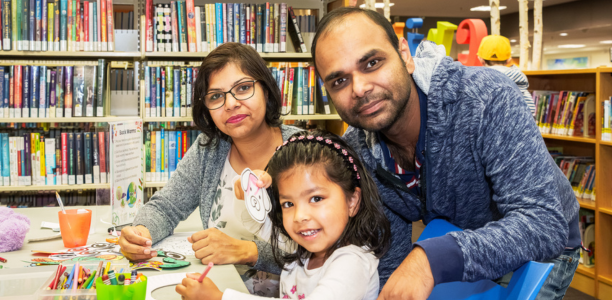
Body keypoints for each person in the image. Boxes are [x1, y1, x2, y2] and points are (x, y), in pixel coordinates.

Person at [311, 7, 580, 300]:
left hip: (541, 250)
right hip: (459, 247)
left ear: (405, 55)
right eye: (339, 81)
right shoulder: (359, 150)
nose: (360, 88)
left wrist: (432, 259)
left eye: (372, 63)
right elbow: (390, 253)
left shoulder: (485, 99)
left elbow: (542, 224)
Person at [118, 42, 302, 296]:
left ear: (267, 90)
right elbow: (167, 206)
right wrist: (140, 234)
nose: (230, 104)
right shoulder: (210, 149)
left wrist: (248, 251)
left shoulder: (305, 152)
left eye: (243, 88)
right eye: (216, 96)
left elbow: (323, 248)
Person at [175, 130, 391, 300]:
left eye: (316, 198)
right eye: (288, 203)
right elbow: (256, 222)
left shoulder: (352, 262)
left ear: (352, 201)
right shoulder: (303, 248)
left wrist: (221, 298)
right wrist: (250, 191)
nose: (300, 216)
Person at [477, 34, 536, 116]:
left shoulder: (478, 80)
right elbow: (531, 112)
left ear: (481, 59)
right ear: (509, 60)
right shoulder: (519, 79)